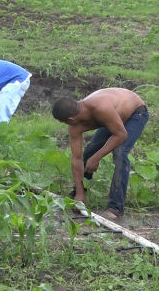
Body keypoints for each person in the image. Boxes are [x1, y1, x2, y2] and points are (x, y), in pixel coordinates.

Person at [52, 88, 149, 220]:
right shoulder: (75, 125)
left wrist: (97, 158)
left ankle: (115, 208)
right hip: (114, 116)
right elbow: (76, 158)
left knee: (120, 153)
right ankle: (79, 195)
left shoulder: (100, 108)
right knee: (90, 150)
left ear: (70, 119)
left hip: (135, 113)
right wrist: (79, 192)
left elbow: (121, 135)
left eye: (63, 122)